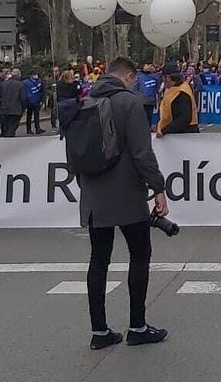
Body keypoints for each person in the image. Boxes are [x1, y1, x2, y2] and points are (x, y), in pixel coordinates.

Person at [75, 56, 170, 349]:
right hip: (127, 193)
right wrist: (158, 187)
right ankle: (137, 326)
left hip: (94, 194)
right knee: (139, 255)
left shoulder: (86, 101)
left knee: (98, 260)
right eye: (134, 79)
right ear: (128, 76)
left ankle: (99, 331)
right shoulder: (130, 103)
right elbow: (142, 153)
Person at [155, 63, 199, 136]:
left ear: (168, 78)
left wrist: (165, 130)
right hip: (178, 132)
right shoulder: (175, 90)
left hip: (185, 134)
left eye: (163, 77)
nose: (162, 81)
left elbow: (184, 118)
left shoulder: (182, 92)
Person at [0, 64, 24, 137]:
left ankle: (4, 136)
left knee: (5, 126)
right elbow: (23, 98)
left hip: (4, 109)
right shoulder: (20, 84)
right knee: (11, 127)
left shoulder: (3, 83)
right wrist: (23, 109)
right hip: (15, 110)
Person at [22, 70, 48, 135]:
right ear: (31, 75)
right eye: (34, 74)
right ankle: (29, 129)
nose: (35, 76)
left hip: (37, 100)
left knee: (37, 115)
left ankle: (38, 128)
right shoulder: (25, 83)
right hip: (29, 102)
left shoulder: (39, 81)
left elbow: (42, 90)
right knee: (29, 116)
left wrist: (42, 100)